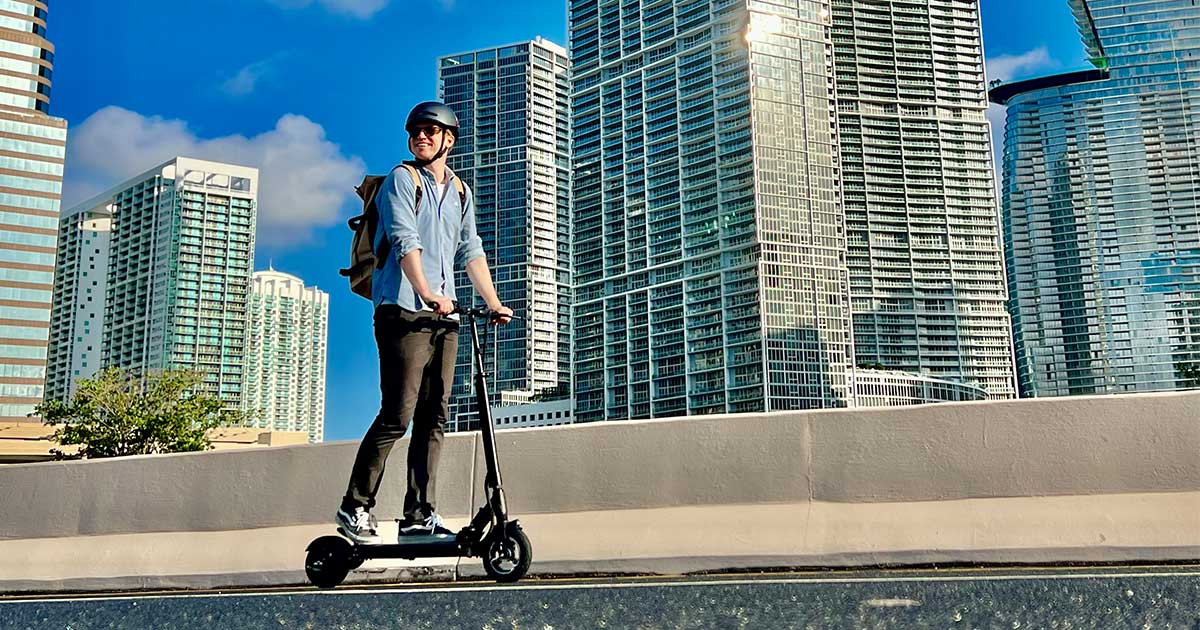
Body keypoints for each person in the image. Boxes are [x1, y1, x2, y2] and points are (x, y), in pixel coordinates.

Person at [336, 101, 512, 544]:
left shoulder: (460, 191)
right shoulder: (402, 179)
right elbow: (402, 240)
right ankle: (354, 506)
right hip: (402, 310)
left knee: (435, 416)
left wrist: (493, 302)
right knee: (398, 413)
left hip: (443, 316)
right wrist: (428, 291)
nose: (422, 137)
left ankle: (418, 514)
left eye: (431, 132)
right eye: (416, 131)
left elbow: (470, 249)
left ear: (448, 140)